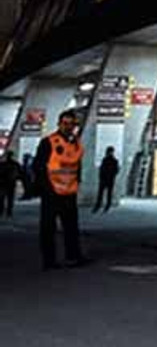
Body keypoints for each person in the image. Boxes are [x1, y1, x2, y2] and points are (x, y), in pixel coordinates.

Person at [33, 110, 87, 269]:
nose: (68, 127)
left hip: (69, 192)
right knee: (48, 228)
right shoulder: (49, 142)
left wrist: (77, 182)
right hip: (51, 191)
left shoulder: (77, 144)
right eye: (65, 123)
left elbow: (77, 166)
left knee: (71, 227)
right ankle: (49, 261)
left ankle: (73, 257)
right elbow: (39, 166)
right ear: (59, 124)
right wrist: (45, 187)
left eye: (71, 124)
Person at [93, 146, 120, 213]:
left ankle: (101, 205)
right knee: (106, 193)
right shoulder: (111, 160)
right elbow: (116, 170)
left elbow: (114, 170)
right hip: (108, 179)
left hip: (106, 179)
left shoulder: (110, 160)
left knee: (104, 193)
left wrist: (104, 176)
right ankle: (104, 205)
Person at [0, 151, 19, 217]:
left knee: (3, 198)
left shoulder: (2, 164)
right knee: (9, 198)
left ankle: (3, 211)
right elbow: (19, 173)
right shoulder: (15, 164)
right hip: (9, 183)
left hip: (4, 183)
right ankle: (8, 212)